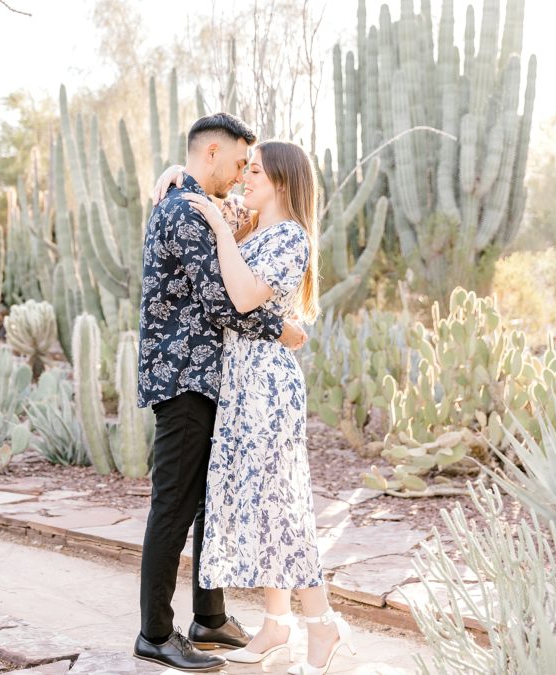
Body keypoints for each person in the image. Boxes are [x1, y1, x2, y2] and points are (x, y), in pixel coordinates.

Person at [161, 140, 357, 675]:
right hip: (241, 381)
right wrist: (179, 170)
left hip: (266, 386)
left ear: (283, 183)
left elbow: (243, 298)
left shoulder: (290, 238)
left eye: (255, 172)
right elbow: (203, 182)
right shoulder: (257, 230)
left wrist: (225, 232)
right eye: (245, 168)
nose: (245, 178)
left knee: (281, 505)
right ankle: (276, 624)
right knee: (266, 506)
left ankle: (322, 624)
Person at [133, 113, 308, 673]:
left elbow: (244, 219)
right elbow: (222, 301)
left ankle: (209, 618)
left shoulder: (200, 204)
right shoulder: (186, 212)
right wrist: (280, 330)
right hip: (185, 378)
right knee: (174, 506)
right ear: (211, 153)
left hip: (211, 380)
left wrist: (173, 173)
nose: (239, 177)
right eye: (236, 163)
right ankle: (155, 634)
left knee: (208, 501)